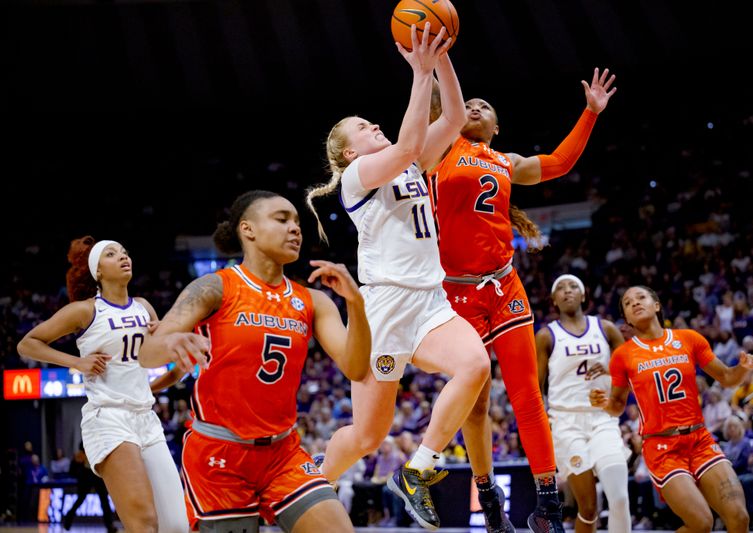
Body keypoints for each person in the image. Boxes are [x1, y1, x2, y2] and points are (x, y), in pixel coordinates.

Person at [305, 23, 490, 530]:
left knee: (474, 365)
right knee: (367, 436)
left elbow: (452, 115)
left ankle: (419, 470)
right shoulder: (356, 179)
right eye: (363, 127)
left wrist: (442, 56)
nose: (374, 127)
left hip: (430, 301)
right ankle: (306, 487)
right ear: (347, 152)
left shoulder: (406, 162)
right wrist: (420, 71)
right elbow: (408, 145)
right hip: (385, 308)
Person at [427, 67, 617, 532]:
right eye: (466, 104)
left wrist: (591, 113)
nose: (474, 108)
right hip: (455, 293)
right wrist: (432, 60)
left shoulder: (506, 161)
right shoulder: (438, 149)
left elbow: (559, 162)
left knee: (526, 393)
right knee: (473, 401)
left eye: (484, 107)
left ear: (496, 128)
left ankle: (548, 502)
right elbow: (435, 99)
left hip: (504, 286)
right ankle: (488, 496)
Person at [138, 190, 371, 533]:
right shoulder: (214, 287)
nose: (295, 229)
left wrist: (356, 304)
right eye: (282, 219)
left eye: (296, 222)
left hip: (283, 453)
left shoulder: (314, 300)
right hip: (220, 454)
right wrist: (171, 339)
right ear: (247, 229)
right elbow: (147, 353)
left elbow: (356, 367)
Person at [17, 236, 189, 533]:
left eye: (125, 252)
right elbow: (27, 344)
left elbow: (162, 367)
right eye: (112, 254)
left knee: (176, 525)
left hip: (146, 419)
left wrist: (170, 344)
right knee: (144, 523)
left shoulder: (145, 308)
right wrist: (77, 362)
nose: (124, 257)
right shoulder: (85, 310)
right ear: (98, 270)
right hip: (108, 417)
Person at [589, 285, 753, 533]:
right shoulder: (623, 355)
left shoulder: (689, 338)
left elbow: (726, 377)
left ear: (657, 305)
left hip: (700, 440)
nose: (635, 303)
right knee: (702, 523)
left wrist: (743, 367)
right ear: (627, 318)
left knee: (739, 518)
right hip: (662, 448)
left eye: (641, 297)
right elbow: (617, 405)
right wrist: (604, 403)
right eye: (628, 303)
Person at [535, 274, 631, 533]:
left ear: (584, 295)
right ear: (554, 299)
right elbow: (536, 388)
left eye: (573, 286)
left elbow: (631, 373)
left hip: (603, 419)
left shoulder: (606, 329)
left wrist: (610, 369)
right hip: (566, 424)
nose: (568, 291)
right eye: (561, 288)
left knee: (620, 499)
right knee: (588, 508)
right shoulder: (546, 336)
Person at [61, 443, 116, 533]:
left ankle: (110, 525)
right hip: (85, 479)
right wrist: (80, 469)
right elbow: (72, 471)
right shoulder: (79, 455)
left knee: (104, 501)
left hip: (97, 477)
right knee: (80, 500)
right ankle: (67, 521)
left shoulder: (98, 452)